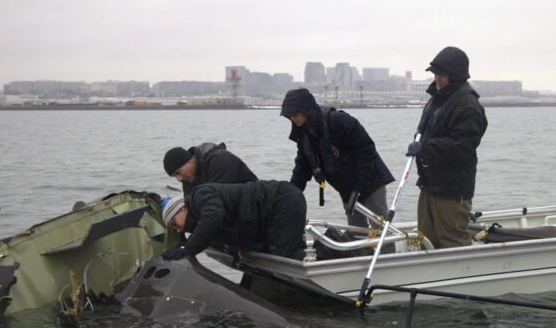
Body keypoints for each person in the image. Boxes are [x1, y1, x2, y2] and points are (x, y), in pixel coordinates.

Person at [406, 46, 487, 249]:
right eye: (435, 74)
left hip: (452, 191)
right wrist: (419, 145)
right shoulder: (437, 99)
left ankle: (463, 278)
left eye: (442, 75)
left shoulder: (468, 106)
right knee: (424, 240)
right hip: (430, 185)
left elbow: (463, 146)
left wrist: (424, 148)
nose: (437, 79)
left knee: (452, 241)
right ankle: (427, 279)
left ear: (456, 75)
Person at [280, 88, 395, 228]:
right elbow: (302, 169)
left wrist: (360, 186)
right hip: (346, 188)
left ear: (306, 109)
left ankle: (386, 250)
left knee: (380, 227)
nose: (293, 118)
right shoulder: (304, 136)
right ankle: (361, 251)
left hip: (371, 181)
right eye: (290, 116)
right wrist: (291, 195)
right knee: (356, 231)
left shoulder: (338, 120)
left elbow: (366, 149)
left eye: (296, 113)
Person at [160, 181, 307, 261]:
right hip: (272, 213)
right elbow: (205, 234)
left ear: (182, 209)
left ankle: (325, 256)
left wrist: (188, 249)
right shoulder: (199, 218)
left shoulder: (200, 195)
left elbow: (213, 216)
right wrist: (183, 248)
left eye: (175, 224)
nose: (178, 229)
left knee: (284, 259)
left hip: (282, 201)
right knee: (278, 253)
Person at [163, 142, 258, 194]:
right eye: (174, 176)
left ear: (189, 160)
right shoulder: (188, 179)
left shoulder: (219, 160)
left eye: (178, 172)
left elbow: (216, 201)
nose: (179, 180)